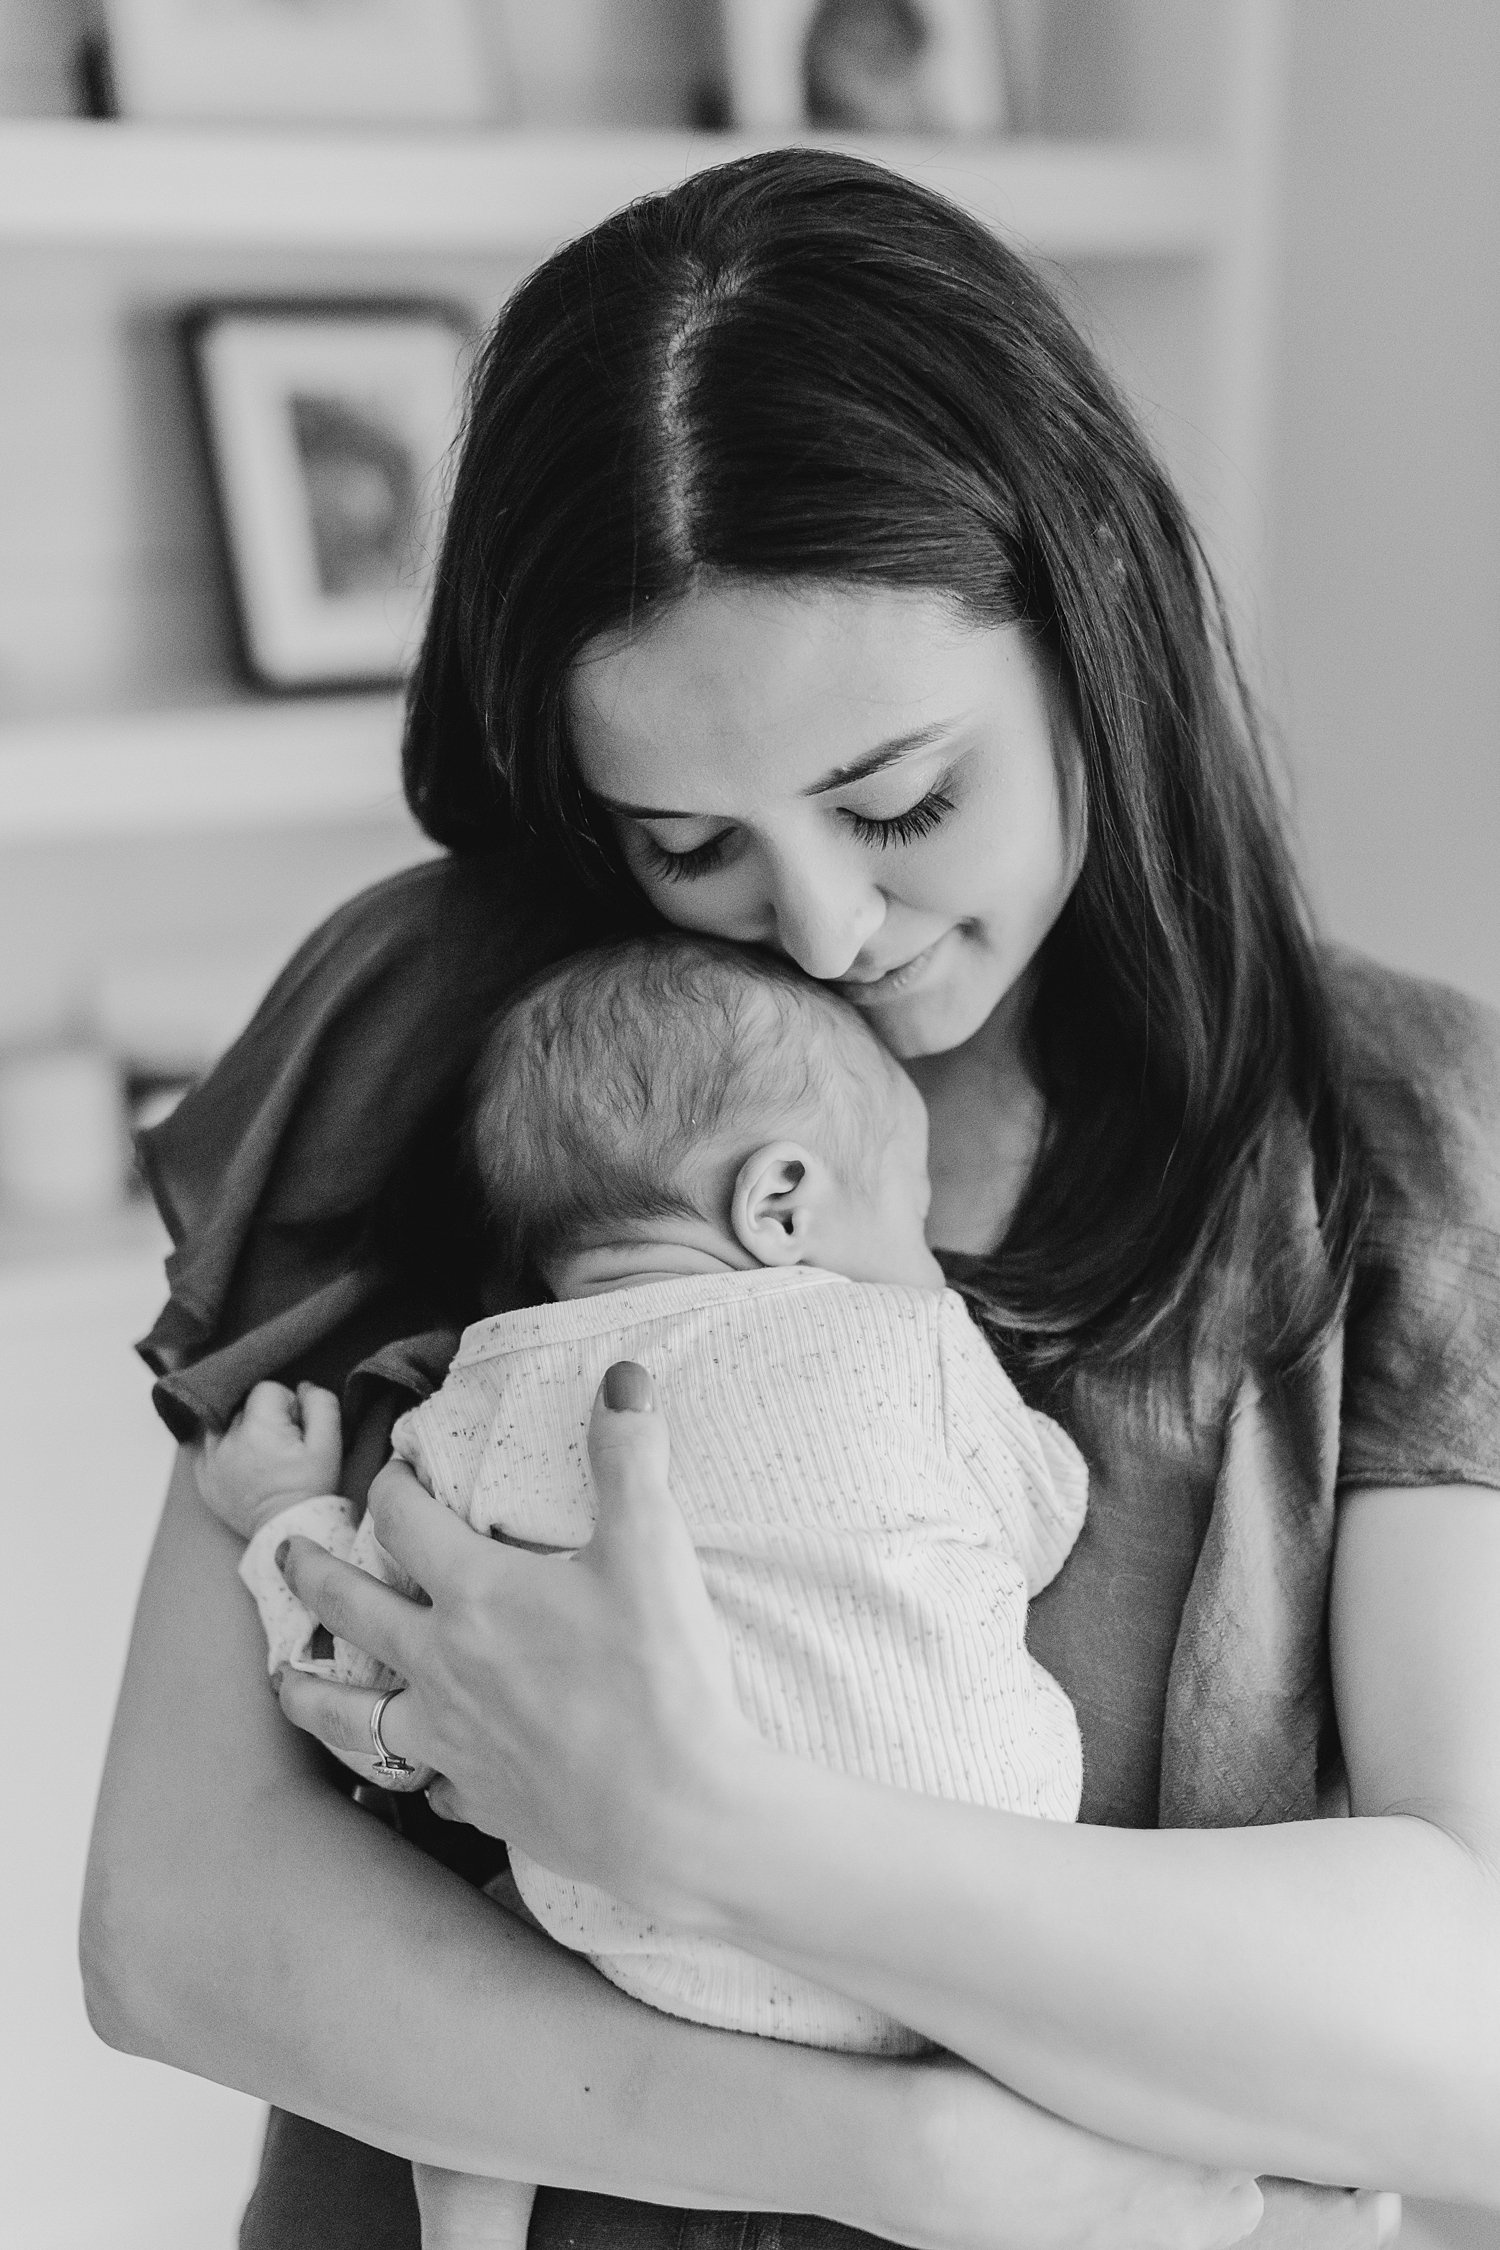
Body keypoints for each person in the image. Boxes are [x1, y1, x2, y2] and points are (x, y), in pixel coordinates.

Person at [81, 148, 1500, 2250]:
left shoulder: (1392, 1134)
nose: (824, 929)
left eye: (901, 799)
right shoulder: (462, 1033)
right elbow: (179, 1929)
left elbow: (1467, 2047)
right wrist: (908, 2160)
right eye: (687, 842)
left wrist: (713, 1829)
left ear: (1089, 615)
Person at [198, 931, 1089, 2250]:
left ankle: (472, 2223)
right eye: (907, 1212)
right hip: (965, 1918)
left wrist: (281, 1512)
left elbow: (362, 1650)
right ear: (782, 1202)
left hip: (631, 1946)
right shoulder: (911, 1339)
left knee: (474, 1974)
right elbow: (1045, 1519)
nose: (928, 1258)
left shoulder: (475, 1406)